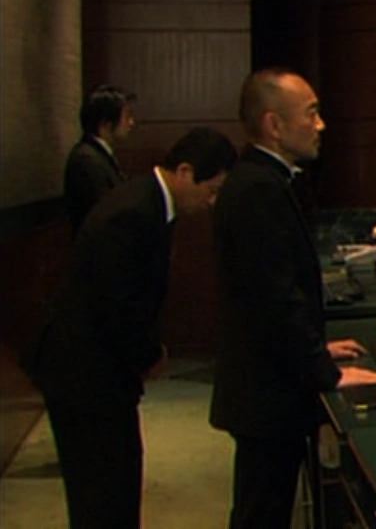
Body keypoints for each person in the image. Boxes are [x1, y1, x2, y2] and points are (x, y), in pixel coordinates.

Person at [25, 127, 237, 529]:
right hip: (82, 373)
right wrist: (149, 353)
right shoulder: (133, 212)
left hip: (97, 372)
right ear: (185, 172)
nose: (211, 203)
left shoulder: (147, 201)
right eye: (211, 191)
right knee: (102, 493)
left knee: (114, 486)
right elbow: (117, 304)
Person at [211, 68, 376, 529]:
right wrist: (325, 371)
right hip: (266, 396)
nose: (321, 125)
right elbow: (274, 300)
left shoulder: (264, 180)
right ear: (274, 124)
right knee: (261, 514)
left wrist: (318, 348)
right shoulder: (257, 189)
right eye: (311, 114)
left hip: (268, 384)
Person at [63, 84, 137, 235]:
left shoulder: (98, 155)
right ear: (105, 124)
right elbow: (102, 216)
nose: (131, 123)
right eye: (126, 117)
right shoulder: (87, 161)